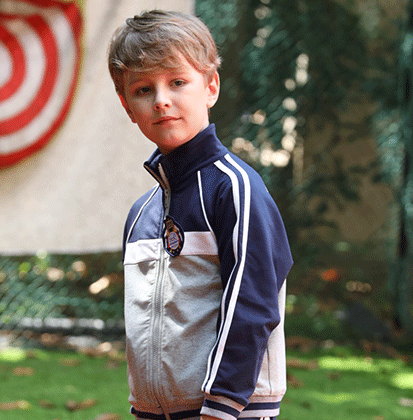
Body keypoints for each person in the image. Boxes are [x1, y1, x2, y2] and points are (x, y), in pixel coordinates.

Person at [108, 10, 293, 420]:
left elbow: (253, 305)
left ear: (210, 87)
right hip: (155, 412)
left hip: (230, 411)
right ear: (127, 106)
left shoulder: (234, 190)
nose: (161, 100)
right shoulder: (141, 214)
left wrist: (221, 406)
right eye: (143, 89)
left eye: (177, 82)